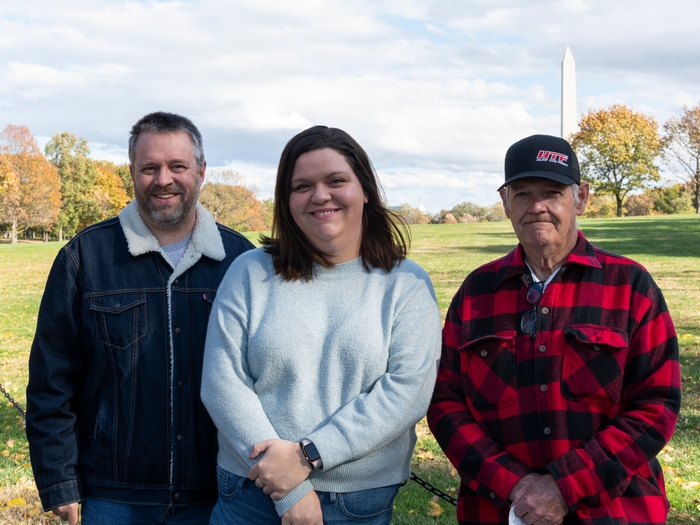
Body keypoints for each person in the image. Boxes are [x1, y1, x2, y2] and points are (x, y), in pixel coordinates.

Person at [427, 134, 681, 525]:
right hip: (499, 511)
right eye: (523, 193)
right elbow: (446, 403)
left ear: (580, 198)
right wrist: (516, 485)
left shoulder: (630, 286)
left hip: (614, 512)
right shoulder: (475, 293)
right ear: (506, 202)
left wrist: (563, 487)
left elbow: (657, 404)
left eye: (553, 192)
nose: (538, 207)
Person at [200, 125, 441, 525]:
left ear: (364, 189)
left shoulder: (406, 284)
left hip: (358, 502)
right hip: (251, 492)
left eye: (336, 181)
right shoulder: (249, 273)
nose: (320, 195)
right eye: (302, 185)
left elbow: (406, 390)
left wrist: (308, 454)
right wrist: (288, 486)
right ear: (286, 199)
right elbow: (222, 380)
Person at [26, 112, 254, 525]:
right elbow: (51, 380)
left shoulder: (241, 261)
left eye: (177, 166)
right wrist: (59, 479)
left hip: (219, 491)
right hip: (112, 495)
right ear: (132, 172)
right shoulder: (84, 258)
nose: (163, 179)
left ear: (201, 171)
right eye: (150, 167)